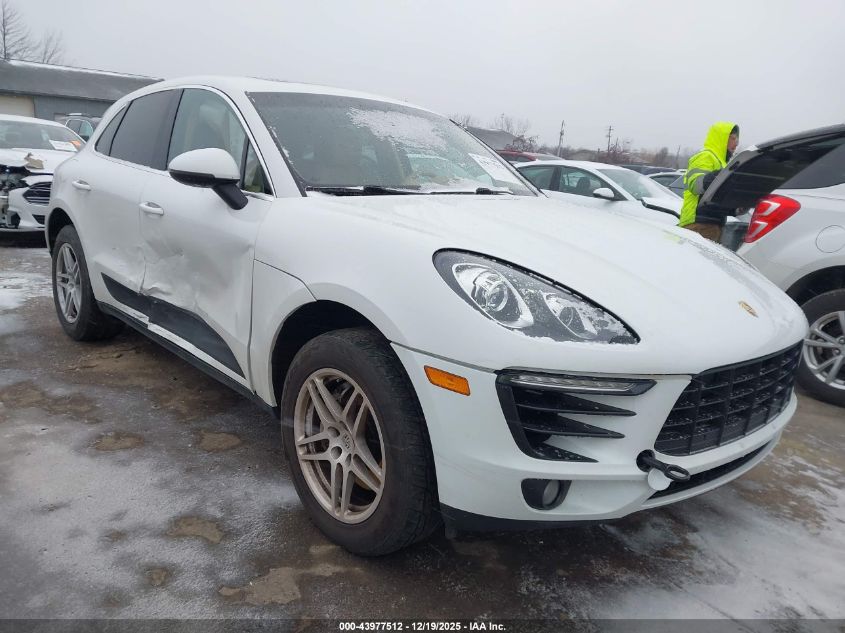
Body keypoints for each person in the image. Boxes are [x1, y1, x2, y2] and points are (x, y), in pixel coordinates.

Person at [679, 122, 739, 242]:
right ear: (721, 138)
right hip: (698, 223)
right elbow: (696, 185)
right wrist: (724, 174)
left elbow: (718, 194)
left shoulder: (723, 163)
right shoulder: (706, 156)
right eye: (732, 138)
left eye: (737, 140)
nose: (736, 144)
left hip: (712, 223)